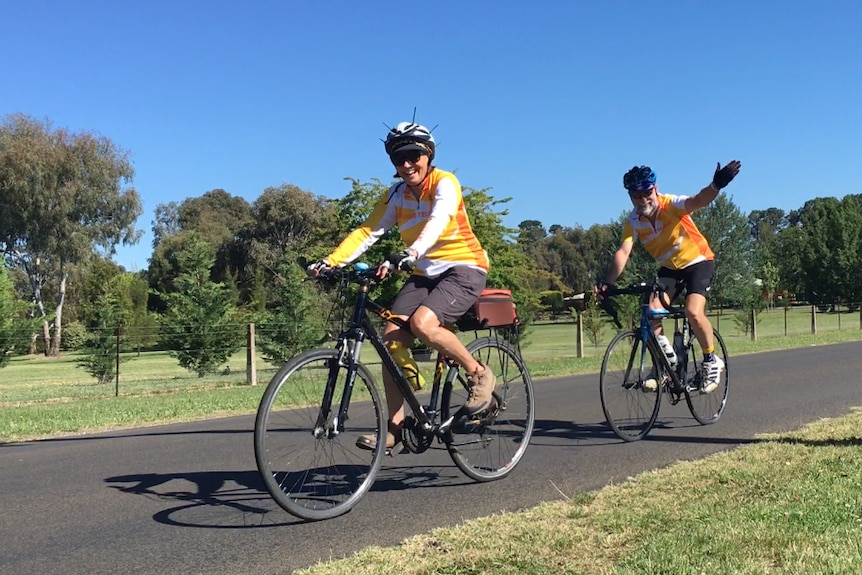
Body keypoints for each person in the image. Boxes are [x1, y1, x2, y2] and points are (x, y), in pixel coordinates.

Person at [307, 121, 495, 450]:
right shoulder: (396, 195)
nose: (406, 164)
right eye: (398, 158)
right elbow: (367, 231)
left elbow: (439, 219)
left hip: (464, 267)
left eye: (412, 155)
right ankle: (393, 429)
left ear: (428, 155)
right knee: (391, 340)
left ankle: (478, 373)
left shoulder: (445, 183)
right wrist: (331, 261)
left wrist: (411, 252)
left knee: (423, 323)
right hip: (424, 273)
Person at [597, 161, 741, 393]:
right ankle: (665, 365)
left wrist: (716, 185)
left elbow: (698, 200)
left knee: (693, 311)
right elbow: (623, 252)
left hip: (698, 262)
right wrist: (608, 283)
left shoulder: (671, 204)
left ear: (655, 188)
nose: (643, 199)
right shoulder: (633, 221)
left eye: (647, 192)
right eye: (636, 195)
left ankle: (711, 360)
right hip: (669, 269)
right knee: (652, 313)